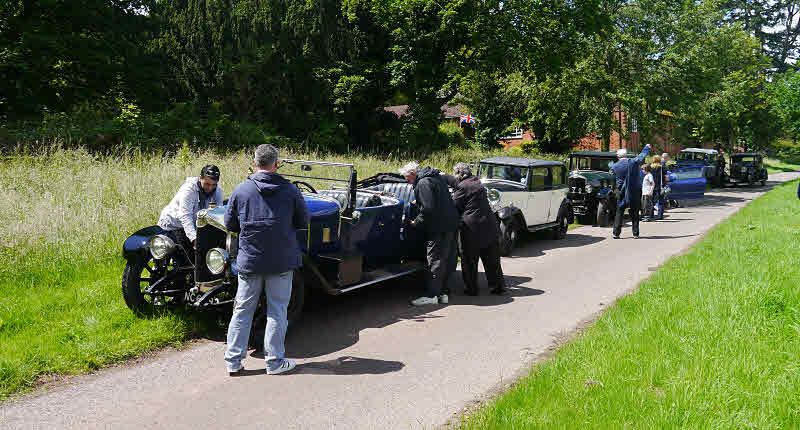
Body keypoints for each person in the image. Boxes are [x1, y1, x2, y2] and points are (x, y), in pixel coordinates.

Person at [223, 144, 309, 376]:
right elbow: (303, 222)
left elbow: (230, 225)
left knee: (242, 310)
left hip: (250, 259)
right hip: (281, 260)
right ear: (276, 164)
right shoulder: (290, 190)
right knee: (277, 310)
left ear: (255, 163)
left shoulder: (242, 190)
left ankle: (233, 361)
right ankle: (274, 362)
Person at [399, 161, 460, 306]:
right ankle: (443, 293)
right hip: (451, 223)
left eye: (408, 179)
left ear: (413, 174)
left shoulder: (423, 183)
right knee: (447, 259)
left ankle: (431, 295)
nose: (408, 182)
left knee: (435, 259)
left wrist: (416, 223)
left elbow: (428, 209)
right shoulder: (435, 177)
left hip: (439, 227)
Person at [444, 163, 507, 296]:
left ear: (459, 175)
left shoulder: (462, 187)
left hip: (471, 229)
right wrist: (445, 177)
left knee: (468, 260)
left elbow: (454, 206)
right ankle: (498, 286)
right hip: (489, 225)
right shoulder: (476, 182)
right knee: (492, 260)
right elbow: (458, 182)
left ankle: (472, 288)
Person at [157, 164, 223, 261]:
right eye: (207, 184)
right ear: (200, 178)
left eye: (214, 185)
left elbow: (217, 214)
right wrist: (194, 238)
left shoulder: (217, 191)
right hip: (173, 225)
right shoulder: (188, 190)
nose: (210, 188)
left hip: (193, 224)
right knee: (186, 259)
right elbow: (185, 216)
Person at [611, 144, 651, 239]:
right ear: (626, 155)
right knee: (635, 212)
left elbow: (614, 178)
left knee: (619, 211)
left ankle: (616, 233)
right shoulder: (632, 162)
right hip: (634, 191)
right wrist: (647, 148)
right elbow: (641, 156)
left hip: (622, 192)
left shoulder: (615, 166)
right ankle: (635, 233)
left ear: (618, 156)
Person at [650, 155, 664, 220]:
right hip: (660, 186)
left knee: (651, 201)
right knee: (661, 201)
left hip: (652, 186)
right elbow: (665, 177)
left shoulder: (650, 167)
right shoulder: (662, 167)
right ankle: (660, 215)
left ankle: (651, 215)